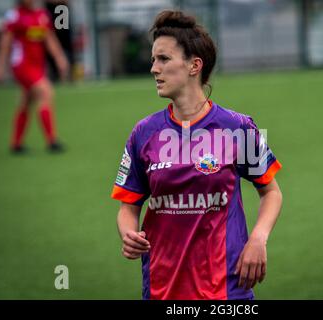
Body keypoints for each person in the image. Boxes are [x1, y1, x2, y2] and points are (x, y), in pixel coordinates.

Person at [111, 10, 283, 300]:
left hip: (227, 287)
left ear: (194, 66)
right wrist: (128, 233)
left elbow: (272, 192)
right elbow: (128, 206)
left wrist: (258, 238)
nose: (154, 68)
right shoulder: (143, 133)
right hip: (162, 287)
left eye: (164, 59)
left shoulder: (238, 127)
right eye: (154, 59)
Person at [0, 0, 68, 154]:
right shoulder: (14, 15)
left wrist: (60, 58)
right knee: (45, 91)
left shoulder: (41, 15)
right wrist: (0, 66)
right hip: (21, 65)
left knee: (26, 101)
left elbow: (49, 39)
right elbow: (5, 42)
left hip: (37, 66)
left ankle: (16, 144)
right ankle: (52, 141)